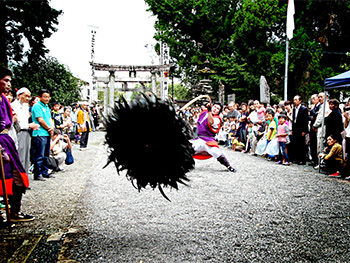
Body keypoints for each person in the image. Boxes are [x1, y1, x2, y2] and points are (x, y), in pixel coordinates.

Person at [0, 66, 34, 222]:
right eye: (5, 80)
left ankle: (15, 210)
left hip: (9, 141)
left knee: (18, 177)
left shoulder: (4, 101)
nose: (8, 84)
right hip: (1, 141)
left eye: (9, 81)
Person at [191, 102, 236, 172]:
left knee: (216, 153)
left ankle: (229, 166)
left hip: (208, 140)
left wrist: (209, 111)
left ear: (219, 111)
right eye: (214, 107)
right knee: (187, 150)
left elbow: (210, 122)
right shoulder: (204, 112)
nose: (215, 109)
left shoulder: (217, 119)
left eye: (218, 108)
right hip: (199, 139)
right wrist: (208, 109)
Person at [11, 87, 40, 174]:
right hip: (19, 132)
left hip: (27, 132)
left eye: (29, 97)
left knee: (27, 156)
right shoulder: (14, 105)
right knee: (20, 156)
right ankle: (18, 179)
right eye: (25, 96)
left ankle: (24, 178)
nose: (27, 99)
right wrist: (28, 125)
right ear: (19, 95)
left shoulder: (25, 106)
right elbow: (16, 123)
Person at [31, 89, 54, 181]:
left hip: (47, 133)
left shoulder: (47, 106)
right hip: (39, 133)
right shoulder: (37, 106)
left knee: (46, 155)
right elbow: (40, 119)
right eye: (45, 97)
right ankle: (37, 173)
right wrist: (49, 128)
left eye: (48, 97)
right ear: (39, 97)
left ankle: (45, 171)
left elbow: (49, 118)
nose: (47, 99)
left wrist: (51, 127)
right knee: (39, 155)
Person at [292, 95, 309, 165]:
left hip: (301, 128)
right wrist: (292, 129)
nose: (295, 101)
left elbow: (305, 120)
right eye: (294, 100)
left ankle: (302, 159)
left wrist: (304, 130)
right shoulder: (294, 109)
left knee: (302, 144)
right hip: (295, 127)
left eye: (296, 100)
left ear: (300, 100)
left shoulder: (304, 109)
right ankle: (297, 158)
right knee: (296, 143)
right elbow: (293, 119)